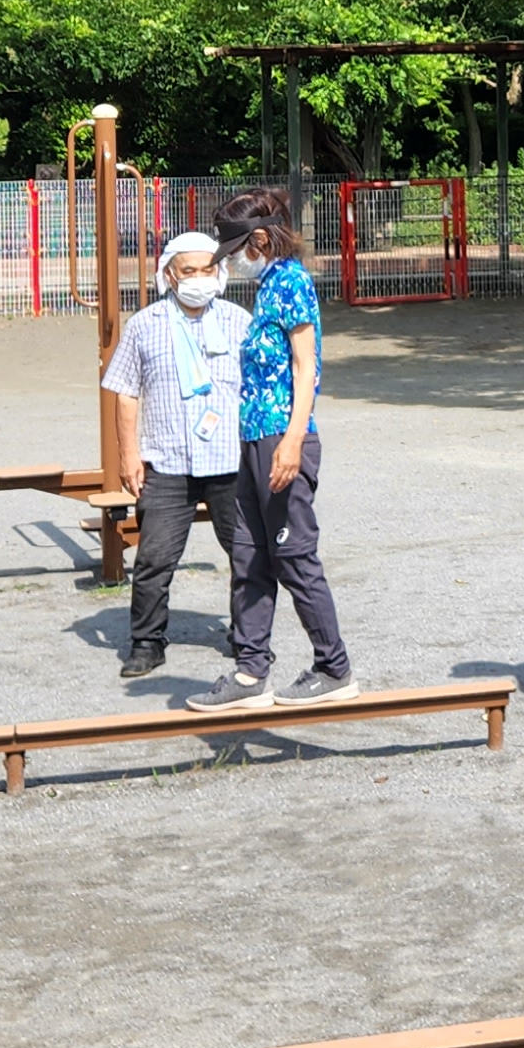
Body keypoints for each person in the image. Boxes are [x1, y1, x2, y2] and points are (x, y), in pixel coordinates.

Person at [202, 188, 355, 710]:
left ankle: (333, 666)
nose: (234, 263)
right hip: (252, 438)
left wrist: (292, 441)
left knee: (292, 554)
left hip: (282, 437)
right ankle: (250, 672)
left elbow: (306, 366)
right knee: (247, 553)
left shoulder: (291, 282)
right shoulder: (266, 288)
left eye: (237, 249)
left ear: (260, 239)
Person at [102, 226, 250, 678]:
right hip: (166, 460)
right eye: (189, 270)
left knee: (247, 552)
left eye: (208, 269)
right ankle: (147, 642)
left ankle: (247, 637)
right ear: (169, 274)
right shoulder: (144, 325)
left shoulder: (239, 321)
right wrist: (129, 455)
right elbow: (124, 392)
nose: (200, 278)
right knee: (154, 558)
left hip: (231, 459)